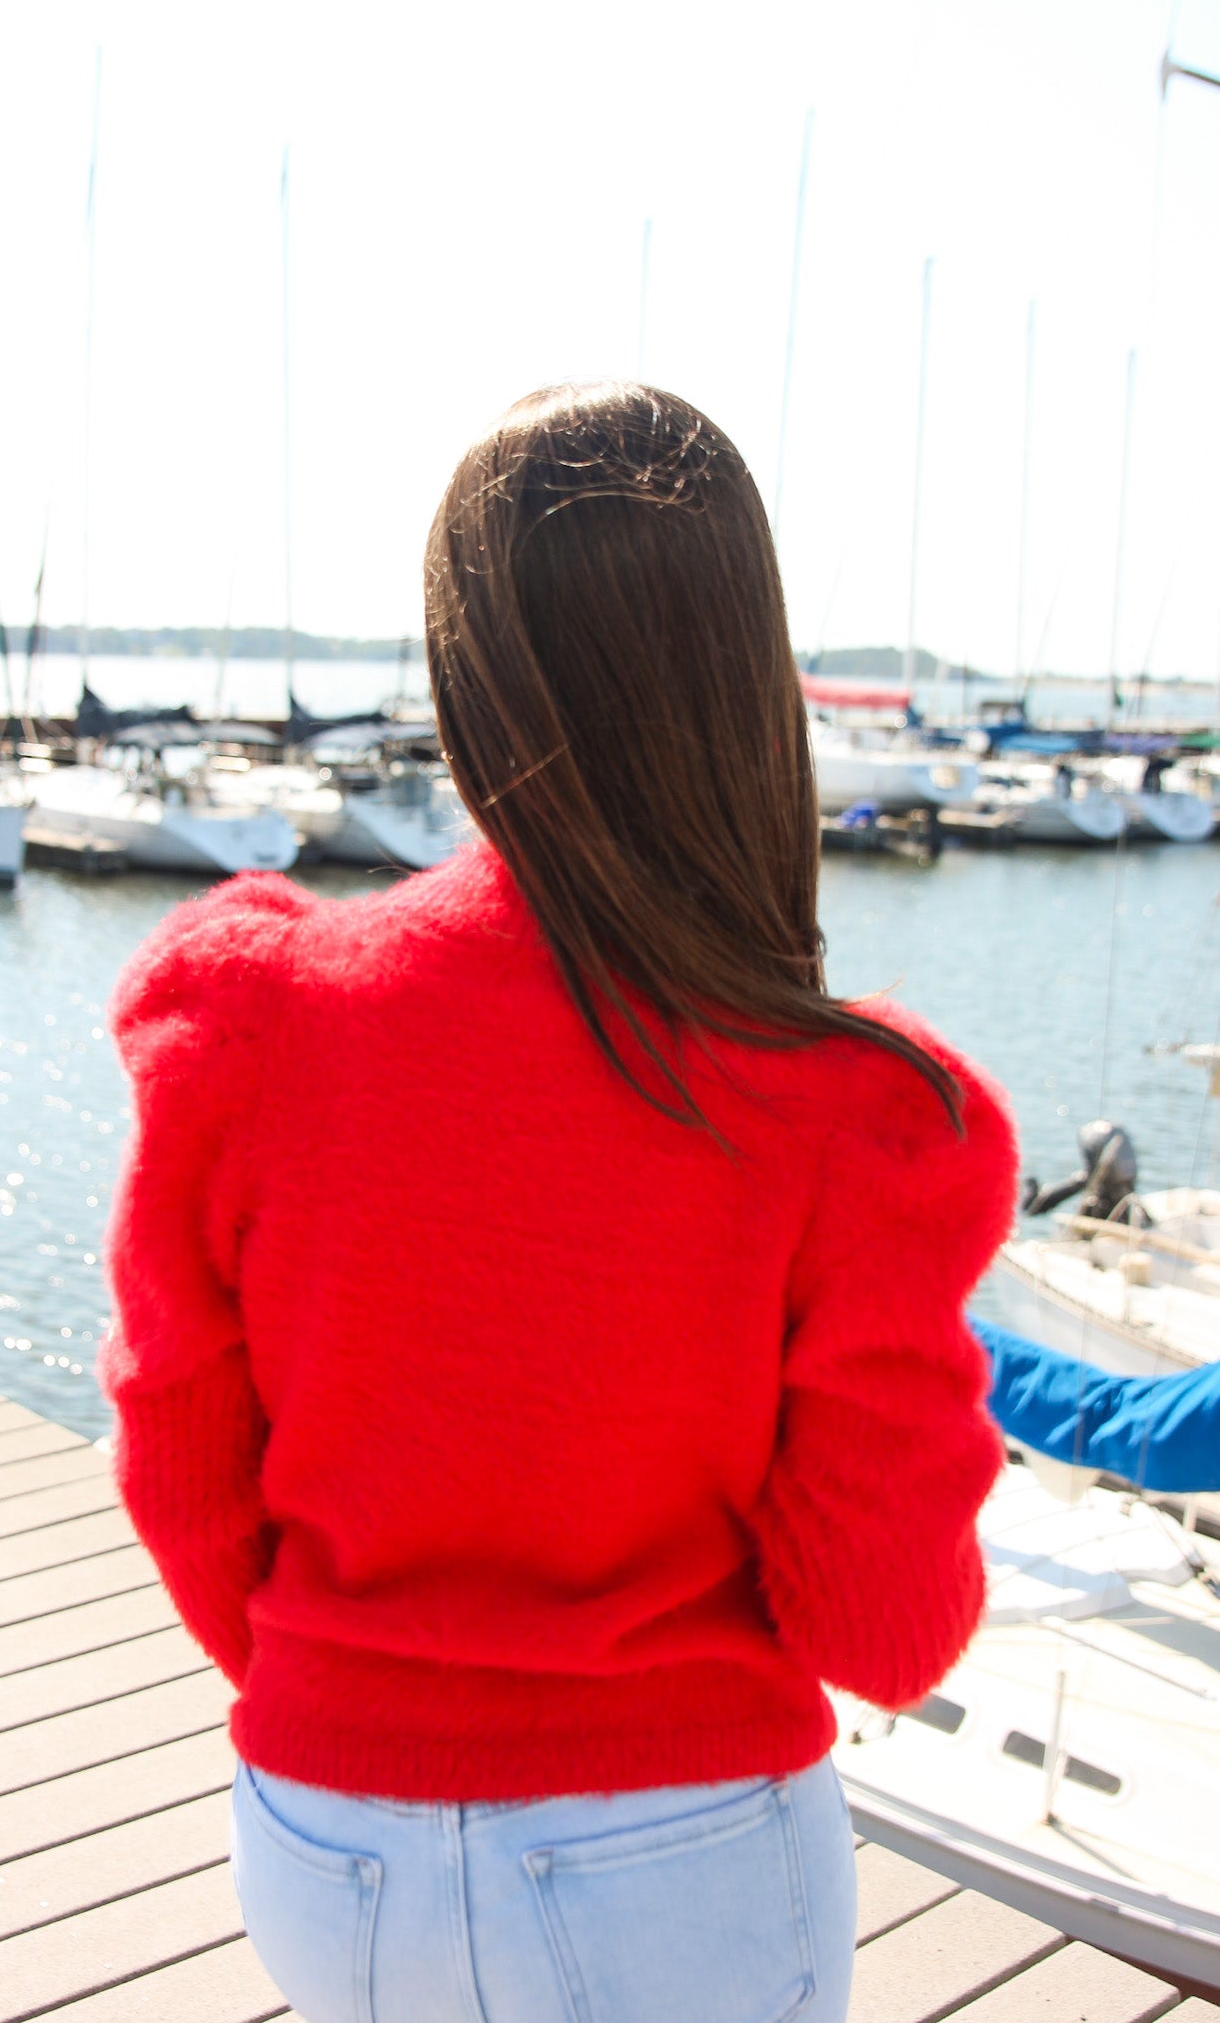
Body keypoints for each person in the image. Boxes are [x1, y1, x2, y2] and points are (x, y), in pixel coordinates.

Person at [100, 380, 1018, 2023]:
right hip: (679, 1852)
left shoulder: (253, 1018)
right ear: (748, 672)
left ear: (462, 662)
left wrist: (360, 1689)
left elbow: (180, 1459)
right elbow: (883, 1627)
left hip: (320, 1839)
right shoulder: (858, 1110)